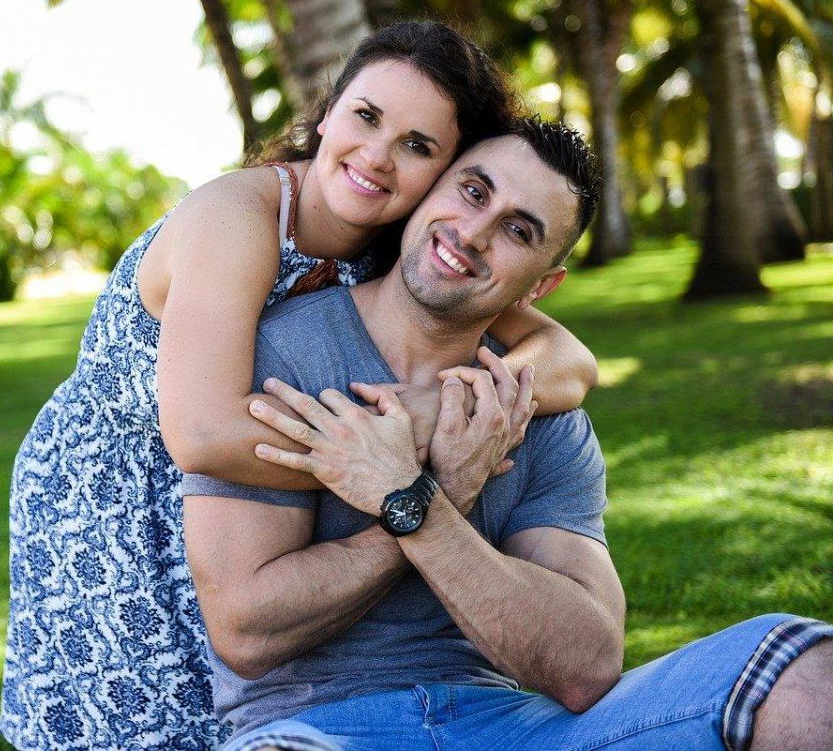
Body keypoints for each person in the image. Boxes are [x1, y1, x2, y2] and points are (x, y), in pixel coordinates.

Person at [1, 23, 602, 751]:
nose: (376, 156)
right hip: (112, 494)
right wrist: (403, 452)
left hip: (232, 497)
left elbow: (570, 359)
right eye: (366, 116)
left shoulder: (406, 240)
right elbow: (202, 434)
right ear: (325, 112)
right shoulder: (239, 216)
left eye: (417, 145)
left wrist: (434, 409)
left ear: (443, 173)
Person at [182, 118, 833, 751]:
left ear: (540, 285)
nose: (473, 233)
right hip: (313, 727)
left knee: (808, 672)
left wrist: (422, 510)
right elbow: (246, 631)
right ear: (428, 190)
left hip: (508, 724)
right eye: (473, 191)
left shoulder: (534, 405)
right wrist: (430, 493)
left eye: (518, 230)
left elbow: (587, 665)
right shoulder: (285, 354)